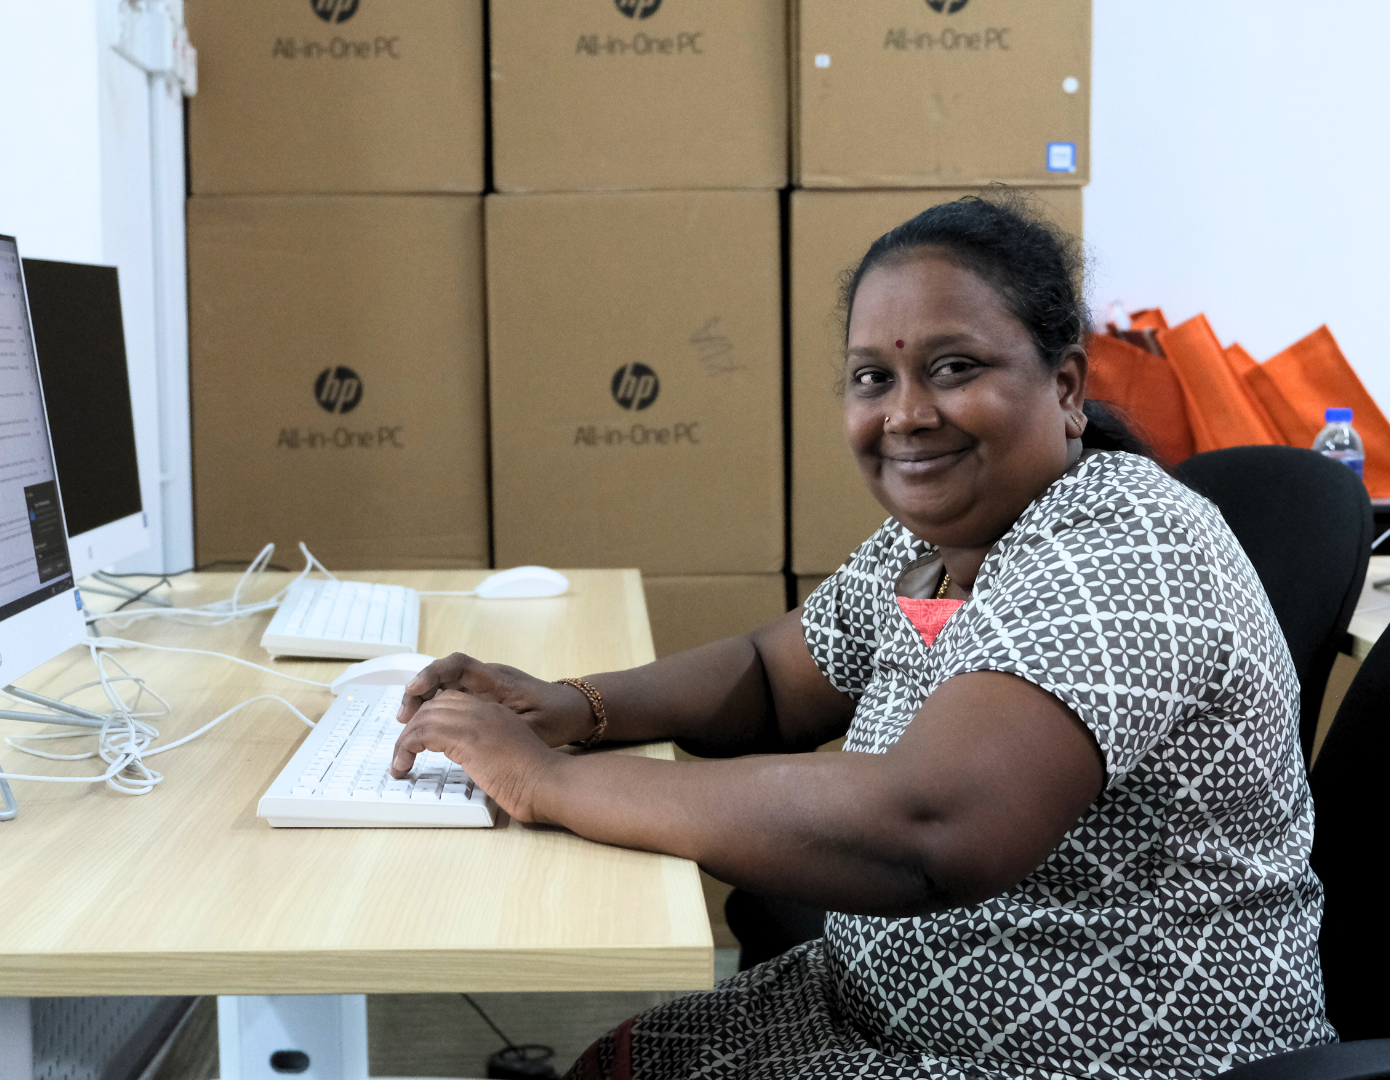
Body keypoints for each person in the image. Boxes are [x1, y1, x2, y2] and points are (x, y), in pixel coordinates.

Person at [390, 196, 1335, 1079]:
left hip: (1076, 1063)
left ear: (1066, 385)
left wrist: (548, 783)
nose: (907, 414)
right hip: (881, 1018)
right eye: (873, 378)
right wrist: (576, 707)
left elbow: (930, 828)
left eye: (955, 368)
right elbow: (774, 680)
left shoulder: (1124, 551)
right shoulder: (939, 547)